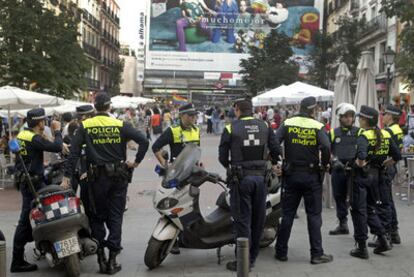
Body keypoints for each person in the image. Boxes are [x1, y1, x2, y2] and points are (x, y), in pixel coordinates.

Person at [61, 93, 149, 274]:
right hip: (118, 178)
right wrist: (136, 162)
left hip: (95, 180)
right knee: (116, 217)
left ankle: (100, 257)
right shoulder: (120, 124)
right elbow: (144, 141)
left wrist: (67, 176)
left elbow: (74, 154)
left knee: (96, 216)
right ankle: (112, 261)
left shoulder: (85, 126)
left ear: (95, 107)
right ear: (109, 107)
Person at [218, 98, 280, 271]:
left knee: (242, 220)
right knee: (258, 219)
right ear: (251, 110)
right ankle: (252, 258)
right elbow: (276, 150)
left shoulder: (231, 128)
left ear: (237, 109)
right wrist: (272, 162)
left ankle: (243, 262)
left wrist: (231, 168)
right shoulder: (265, 126)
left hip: (241, 180)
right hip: (261, 180)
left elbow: (222, 157)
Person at [274, 96, 333, 264]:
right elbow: (327, 146)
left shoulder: (287, 123)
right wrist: (325, 164)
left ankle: (281, 251)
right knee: (314, 215)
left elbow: (275, 142)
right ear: (313, 109)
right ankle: (316, 254)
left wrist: (279, 161)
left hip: (291, 174)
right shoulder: (317, 126)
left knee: (287, 215)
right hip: (311, 175)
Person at [10, 108, 63, 273]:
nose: (45, 123)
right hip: (32, 185)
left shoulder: (22, 134)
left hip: (28, 182)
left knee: (41, 214)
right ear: (40, 122)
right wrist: (57, 130)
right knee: (26, 220)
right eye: (44, 121)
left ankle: (46, 246)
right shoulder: (33, 138)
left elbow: (29, 156)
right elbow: (57, 147)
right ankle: (17, 261)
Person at [349, 105, 401, 259]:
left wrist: (360, 164)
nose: (358, 120)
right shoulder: (385, 133)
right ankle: (383, 239)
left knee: (358, 210)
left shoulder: (364, 135)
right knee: (370, 208)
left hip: (364, 176)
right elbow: (397, 155)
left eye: (360, 118)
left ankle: (361, 247)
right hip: (378, 175)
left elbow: (362, 154)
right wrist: (386, 163)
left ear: (364, 120)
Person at [152, 103, 200, 254]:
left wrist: (199, 163)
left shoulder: (196, 130)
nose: (193, 118)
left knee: (190, 205)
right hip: (176, 176)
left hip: (192, 174)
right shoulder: (173, 130)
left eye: (194, 115)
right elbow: (155, 147)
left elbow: (196, 150)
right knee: (171, 206)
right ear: (182, 115)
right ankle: (171, 238)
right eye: (190, 115)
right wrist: (165, 164)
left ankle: (186, 236)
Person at [329, 103, 362, 235]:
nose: (349, 119)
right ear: (340, 117)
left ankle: (359, 228)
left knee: (355, 199)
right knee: (339, 196)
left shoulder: (360, 132)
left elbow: (364, 150)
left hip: (354, 170)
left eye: (351, 116)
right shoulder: (332, 133)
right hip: (338, 170)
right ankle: (343, 224)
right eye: (346, 116)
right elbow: (325, 150)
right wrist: (333, 159)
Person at [375, 105, 403, 245]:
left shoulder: (388, 131)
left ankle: (387, 233)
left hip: (387, 167)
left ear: (390, 116)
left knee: (383, 201)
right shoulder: (398, 129)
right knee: (389, 200)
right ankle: (394, 231)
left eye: (384, 114)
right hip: (393, 167)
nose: (382, 116)